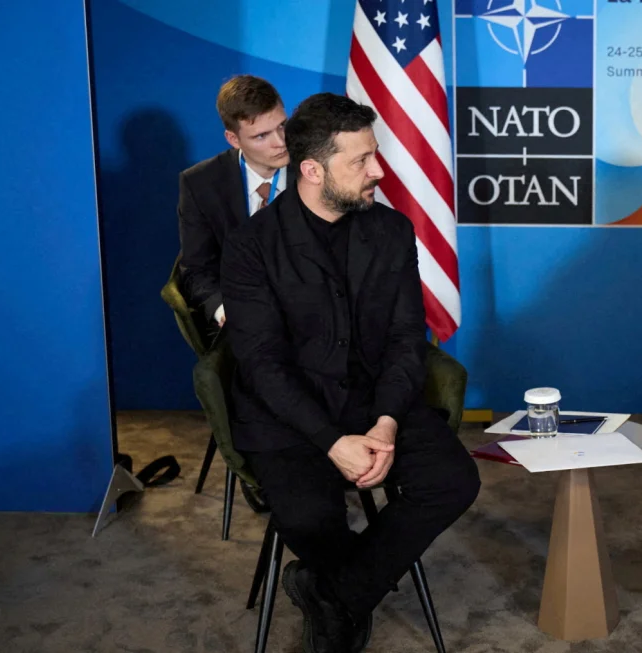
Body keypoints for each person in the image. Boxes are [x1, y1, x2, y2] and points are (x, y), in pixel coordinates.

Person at [221, 93, 481, 653]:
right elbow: (262, 365)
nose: (378, 171)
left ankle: (333, 593)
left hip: (375, 400)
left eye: (375, 154)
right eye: (361, 161)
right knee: (310, 517)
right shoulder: (250, 246)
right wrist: (331, 441)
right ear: (312, 170)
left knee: (453, 481)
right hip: (289, 417)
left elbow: (407, 340)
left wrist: (385, 422)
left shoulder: (391, 231)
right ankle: (347, 592)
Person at [177, 74, 289, 341]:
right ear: (233, 139)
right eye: (261, 135)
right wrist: (224, 310)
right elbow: (196, 270)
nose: (281, 142)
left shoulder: (315, 168)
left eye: (282, 126)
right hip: (244, 326)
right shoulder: (200, 183)